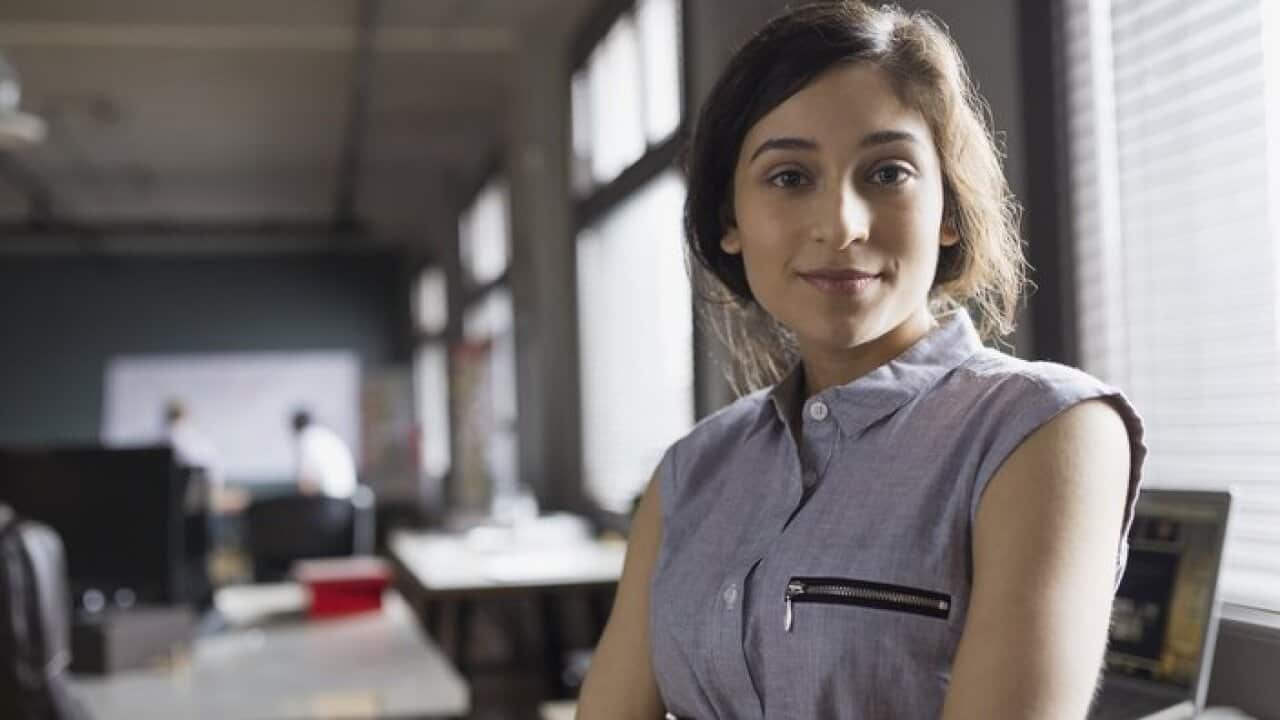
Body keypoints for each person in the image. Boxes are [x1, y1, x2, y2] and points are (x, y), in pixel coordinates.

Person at [578, 3, 1146, 718]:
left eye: (887, 173)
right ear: (730, 220)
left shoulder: (1044, 432)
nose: (842, 226)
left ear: (947, 209)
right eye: (789, 177)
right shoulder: (690, 473)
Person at [291, 409, 358, 499]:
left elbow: (306, 482)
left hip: (329, 498)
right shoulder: (324, 435)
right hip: (347, 496)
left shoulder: (307, 438)